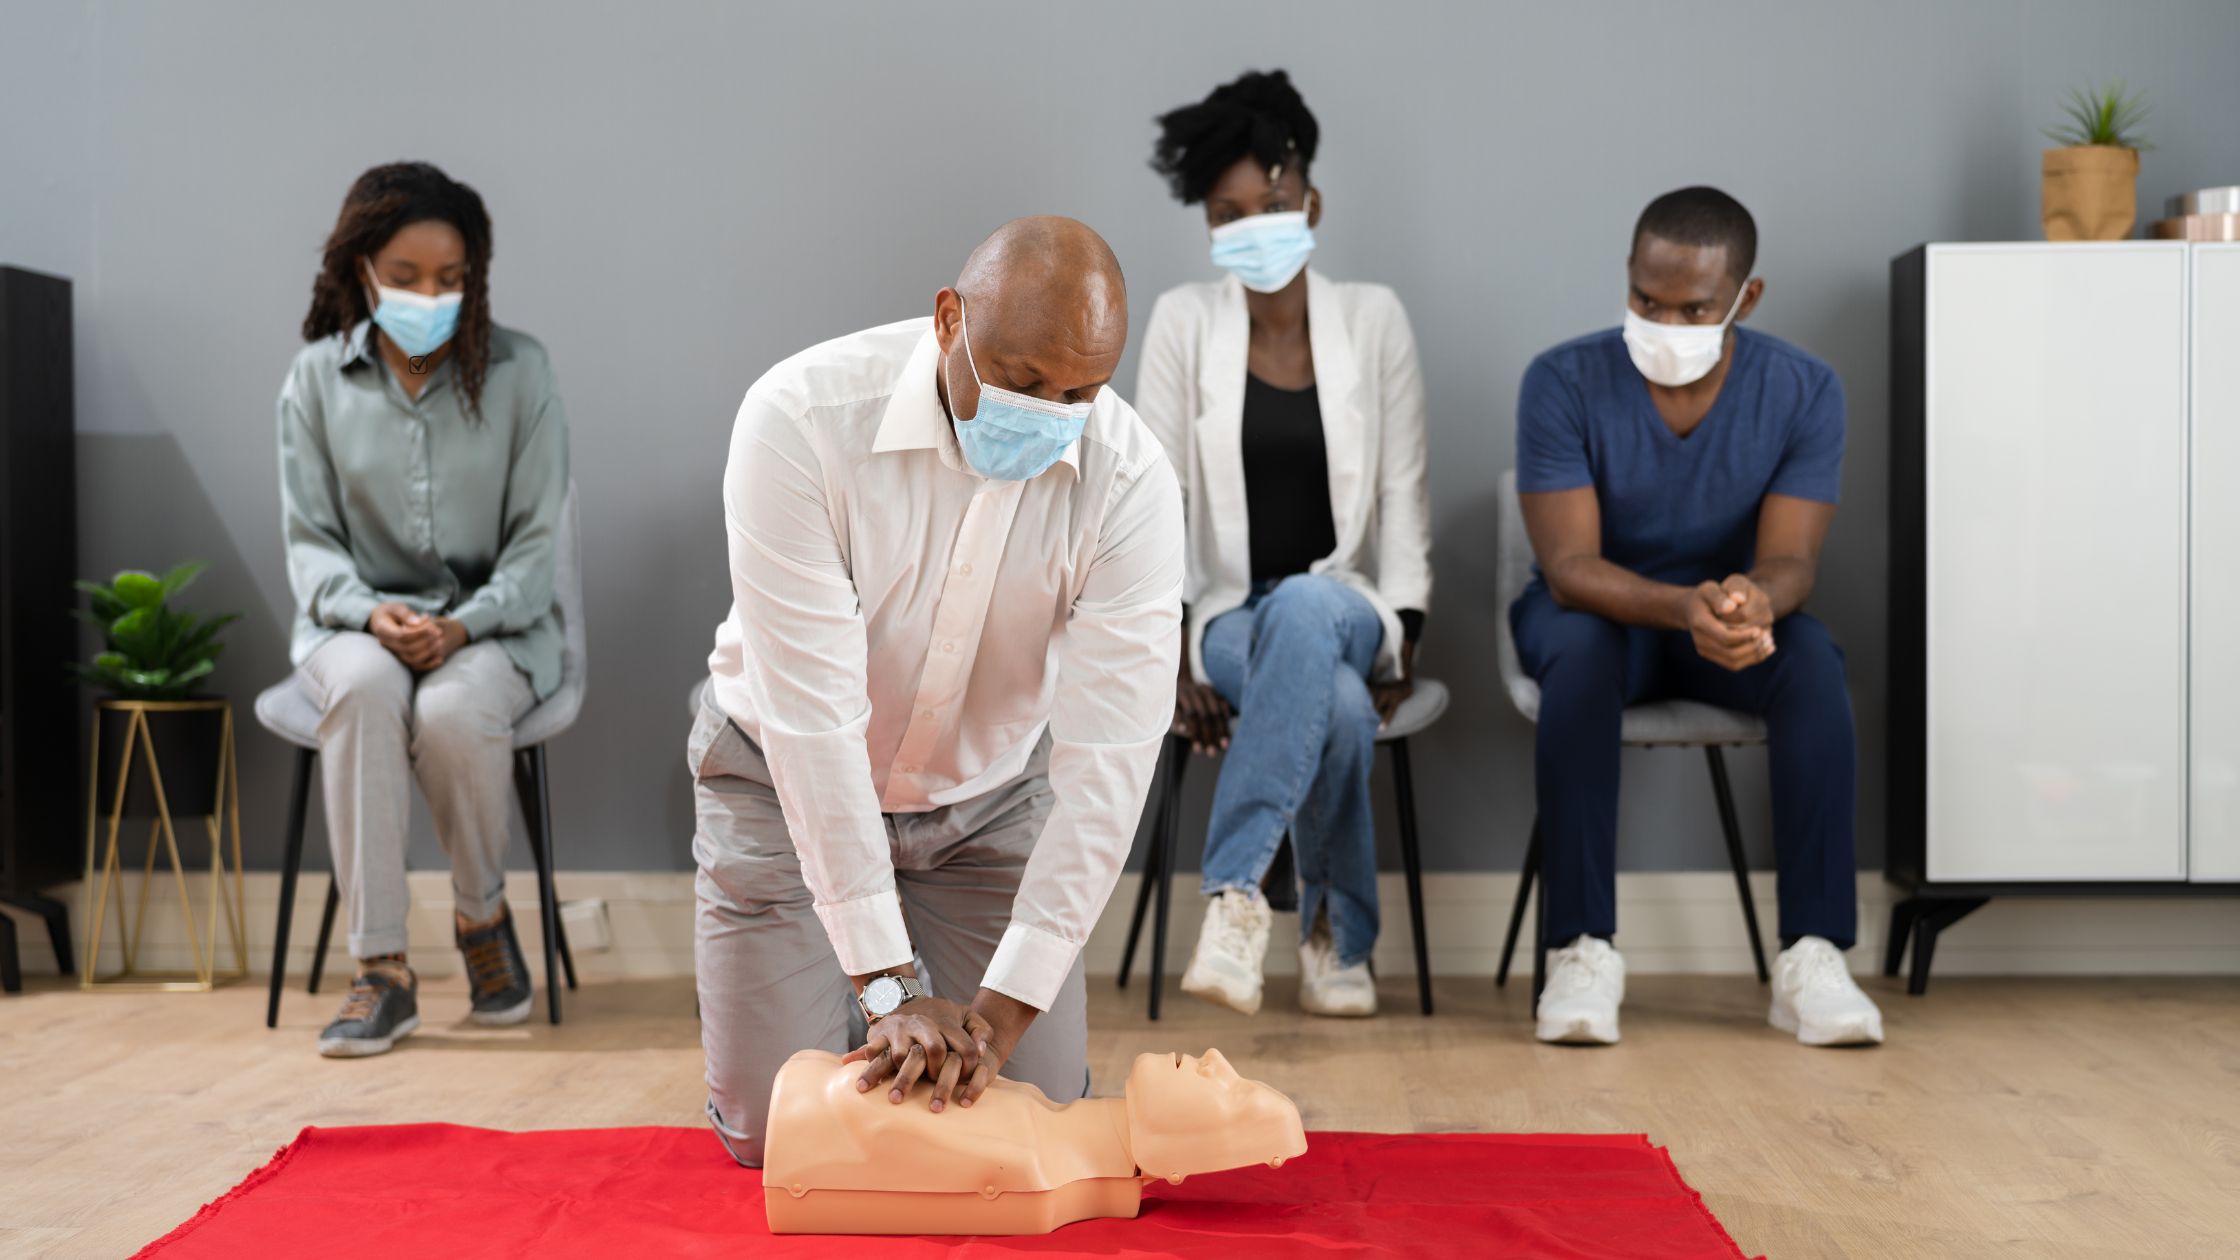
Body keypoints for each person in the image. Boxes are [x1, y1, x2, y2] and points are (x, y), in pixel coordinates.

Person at [690, 217, 1184, 1168]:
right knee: (770, 1137)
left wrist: (1003, 1015)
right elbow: (813, 725)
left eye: (1080, 393)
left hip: (988, 801)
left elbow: (1110, 765)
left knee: (1036, 1113)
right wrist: (888, 987)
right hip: (780, 783)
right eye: (1024, 380)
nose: (1050, 414)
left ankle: (875, 990)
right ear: (950, 319)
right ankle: (825, 980)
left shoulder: (1133, 481)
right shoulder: (798, 418)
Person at [1511, 186, 1882, 1048]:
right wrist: (1685, 606)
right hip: (1597, 618)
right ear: (1628, 276)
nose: (1664, 324)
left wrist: (1753, 602)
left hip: (1721, 621)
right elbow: (1569, 568)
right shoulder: (1560, 380)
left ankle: (1814, 953)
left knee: (1811, 662)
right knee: (1580, 656)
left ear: (1746, 298)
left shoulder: (1804, 389)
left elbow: (1792, 560)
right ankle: (1581, 948)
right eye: (1646, 300)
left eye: (1694, 309)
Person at [1134, 70, 1432, 1019]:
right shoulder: (1184, 321)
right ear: (1208, 225)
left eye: (1270, 206)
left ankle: (1234, 895)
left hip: (1347, 601)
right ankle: (1336, 942)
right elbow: (1153, 499)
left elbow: (1404, 489)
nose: (1252, 227)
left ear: (1311, 202)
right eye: (1229, 215)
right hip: (1226, 616)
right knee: (1336, 706)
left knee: (1309, 606)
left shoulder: (1373, 318)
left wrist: (1406, 633)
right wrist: (1168, 648)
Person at [278, 161, 569, 1057]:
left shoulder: (521, 372)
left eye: (450, 279)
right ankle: (382, 969)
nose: (429, 298)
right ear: (362, 268)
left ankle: (482, 918)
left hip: (492, 626)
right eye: (406, 277)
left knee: (451, 710)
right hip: (353, 627)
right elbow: (310, 544)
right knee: (366, 689)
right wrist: (371, 615)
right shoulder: (314, 381)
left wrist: (462, 625)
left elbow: (536, 548)